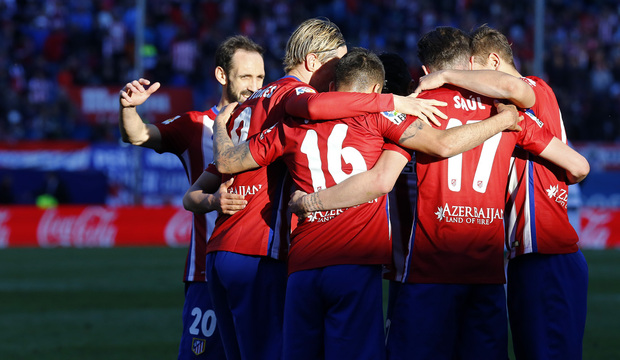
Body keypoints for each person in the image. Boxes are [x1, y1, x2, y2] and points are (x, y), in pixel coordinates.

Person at [198, 46, 524, 359]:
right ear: (375, 89)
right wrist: (502, 121)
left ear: (330, 85)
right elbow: (442, 145)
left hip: (303, 267)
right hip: (354, 263)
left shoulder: (292, 126)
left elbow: (226, 162)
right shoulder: (381, 120)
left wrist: (221, 129)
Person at [287, 27, 589, 360]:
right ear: (469, 65)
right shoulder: (506, 111)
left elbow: (383, 176)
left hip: (428, 270)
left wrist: (310, 202)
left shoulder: (418, 106)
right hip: (487, 275)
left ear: (427, 71)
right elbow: (578, 166)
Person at [183, 18, 452, 360]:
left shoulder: (251, 103)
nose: (340, 77)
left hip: (220, 249)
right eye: (336, 64)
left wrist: (219, 143)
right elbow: (314, 107)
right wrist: (392, 102)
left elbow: (220, 167)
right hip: (261, 248)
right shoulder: (295, 95)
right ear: (312, 62)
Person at [118, 35, 264, 359]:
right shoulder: (196, 125)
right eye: (246, 77)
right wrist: (128, 109)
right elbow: (139, 135)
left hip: (262, 271)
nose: (254, 86)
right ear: (222, 76)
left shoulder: (273, 128)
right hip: (205, 276)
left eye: (260, 78)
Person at [469, 25, 589, 360]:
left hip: (547, 255)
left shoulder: (527, 94)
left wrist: (444, 75)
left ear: (493, 61)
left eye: (473, 74)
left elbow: (579, 167)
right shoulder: (533, 98)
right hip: (531, 258)